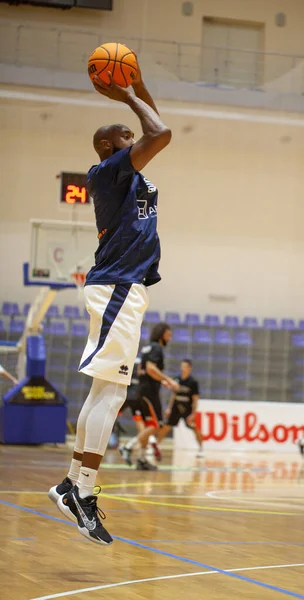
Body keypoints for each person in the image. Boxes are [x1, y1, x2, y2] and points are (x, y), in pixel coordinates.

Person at [48, 57, 172, 546]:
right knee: (112, 393)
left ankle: (71, 486)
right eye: (126, 133)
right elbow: (160, 133)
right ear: (108, 145)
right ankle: (80, 490)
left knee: (105, 391)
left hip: (123, 284)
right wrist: (126, 96)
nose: (135, 134)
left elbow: (151, 129)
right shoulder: (106, 172)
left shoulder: (128, 173)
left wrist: (137, 84)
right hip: (118, 283)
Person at [119, 322, 179, 470]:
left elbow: (141, 370)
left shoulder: (146, 348)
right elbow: (151, 368)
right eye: (168, 335)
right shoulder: (157, 348)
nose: (169, 338)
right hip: (149, 392)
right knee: (156, 425)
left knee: (147, 426)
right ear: (161, 334)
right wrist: (168, 380)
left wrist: (160, 380)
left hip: (142, 389)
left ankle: (141, 459)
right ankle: (128, 447)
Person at [157, 359, 204, 458]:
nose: (182, 369)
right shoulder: (176, 380)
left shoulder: (193, 382)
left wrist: (193, 414)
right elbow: (173, 395)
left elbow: (195, 399)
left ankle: (201, 449)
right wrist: (169, 408)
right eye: (181, 366)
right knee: (166, 427)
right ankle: (155, 446)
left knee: (195, 428)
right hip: (176, 408)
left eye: (185, 367)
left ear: (189, 368)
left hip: (187, 409)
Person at [118, 353, 160, 464]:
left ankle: (141, 457)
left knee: (145, 428)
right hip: (138, 398)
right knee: (151, 426)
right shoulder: (145, 364)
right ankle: (129, 447)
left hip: (131, 398)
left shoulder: (129, 361)